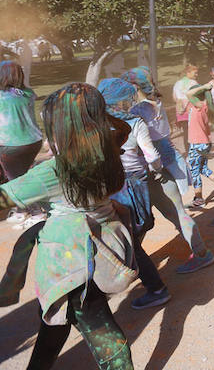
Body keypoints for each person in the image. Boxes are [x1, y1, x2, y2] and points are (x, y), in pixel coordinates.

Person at [0, 83, 137, 369]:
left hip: (70, 264)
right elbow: (124, 129)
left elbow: (3, 201)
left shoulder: (53, 171)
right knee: (54, 326)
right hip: (102, 248)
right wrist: (96, 117)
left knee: (112, 347)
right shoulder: (107, 150)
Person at [121, 67, 214, 273]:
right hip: (167, 164)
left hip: (153, 169)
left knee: (142, 218)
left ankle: (200, 254)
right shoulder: (155, 102)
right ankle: (201, 252)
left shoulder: (139, 110)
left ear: (134, 86)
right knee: (173, 214)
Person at [98, 78, 173, 310]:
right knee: (131, 234)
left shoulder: (97, 124)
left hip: (111, 186)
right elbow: (151, 156)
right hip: (135, 183)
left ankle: (156, 288)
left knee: (125, 237)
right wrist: (158, 171)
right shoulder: (135, 122)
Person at [0, 61, 45, 229]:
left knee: (16, 181)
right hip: (33, 141)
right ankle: (21, 210)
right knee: (24, 175)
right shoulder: (28, 93)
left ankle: (37, 213)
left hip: (11, 145)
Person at [184, 84, 214, 207]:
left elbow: (188, 94)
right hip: (204, 142)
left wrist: (205, 86)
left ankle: (199, 199)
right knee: (203, 169)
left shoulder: (200, 106)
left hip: (197, 143)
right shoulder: (204, 106)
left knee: (194, 171)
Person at [173, 63, 199, 151]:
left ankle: (188, 152)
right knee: (194, 131)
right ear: (188, 72)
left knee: (186, 132)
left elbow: (174, 97)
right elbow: (197, 95)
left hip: (180, 109)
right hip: (191, 109)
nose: (196, 75)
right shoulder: (193, 83)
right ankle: (196, 151)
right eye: (195, 73)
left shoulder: (177, 83)